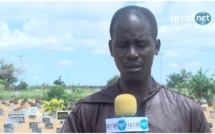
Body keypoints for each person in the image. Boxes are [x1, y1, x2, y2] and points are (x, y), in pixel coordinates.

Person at [61, 5, 211, 133]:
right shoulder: (86, 112)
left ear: (156, 47)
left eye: (141, 44)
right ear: (111, 48)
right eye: (123, 45)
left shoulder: (187, 110)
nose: (132, 54)